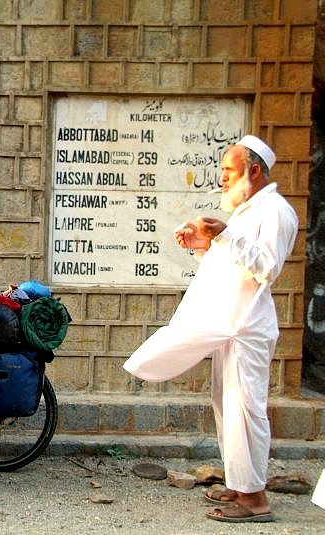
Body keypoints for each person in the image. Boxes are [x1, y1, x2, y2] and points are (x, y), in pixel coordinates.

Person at [123, 135, 298, 523]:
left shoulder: (275, 212)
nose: (222, 177)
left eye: (228, 170)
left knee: (245, 410)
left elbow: (267, 269)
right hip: (229, 325)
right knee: (226, 405)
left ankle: (255, 500)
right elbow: (232, 266)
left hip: (246, 327)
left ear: (254, 171)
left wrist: (225, 235)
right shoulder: (247, 211)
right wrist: (203, 244)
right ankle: (239, 484)